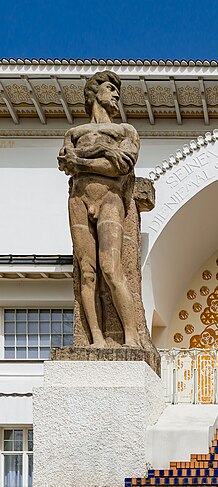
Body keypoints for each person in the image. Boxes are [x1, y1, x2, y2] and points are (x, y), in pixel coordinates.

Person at [58, 71, 141, 347]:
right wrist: (104, 150)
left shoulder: (125, 131)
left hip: (109, 198)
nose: (116, 94)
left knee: (111, 268)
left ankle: (131, 336)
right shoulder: (74, 133)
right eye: (109, 88)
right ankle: (95, 339)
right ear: (94, 94)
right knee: (87, 271)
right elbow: (65, 163)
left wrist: (83, 160)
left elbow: (120, 166)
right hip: (78, 198)